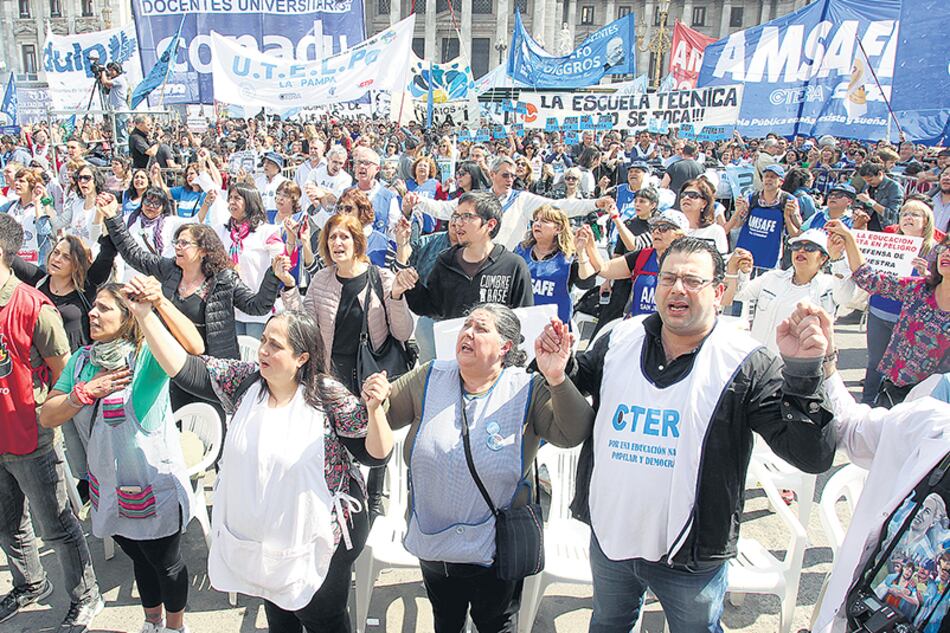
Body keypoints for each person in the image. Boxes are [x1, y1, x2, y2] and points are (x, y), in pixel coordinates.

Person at [536, 237, 836, 633]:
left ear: (718, 292)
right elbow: (578, 380)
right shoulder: (618, 338)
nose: (677, 289)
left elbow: (810, 454)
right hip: (612, 536)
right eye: (669, 278)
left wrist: (804, 372)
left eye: (692, 281)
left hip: (692, 556)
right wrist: (561, 366)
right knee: (608, 623)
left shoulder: (745, 361)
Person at [131, 302, 393, 633]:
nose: (263, 351)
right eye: (264, 340)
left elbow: (375, 454)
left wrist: (375, 410)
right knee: (279, 616)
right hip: (265, 540)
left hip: (321, 540)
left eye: (275, 345)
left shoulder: (326, 397)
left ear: (302, 358)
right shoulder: (245, 384)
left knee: (322, 619)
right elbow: (185, 369)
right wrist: (144, 316)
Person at [380, 303, 595, 633]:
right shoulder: (430, 376)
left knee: (496, 624)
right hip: (435, 544)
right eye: (466, 325)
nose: (468, 332)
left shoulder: (526, 388)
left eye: (481, 328)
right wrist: (374, 395)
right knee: (446, 620)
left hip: (498, 551)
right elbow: (387, 411)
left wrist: (556, 377)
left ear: (505, 346)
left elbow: (573, 432)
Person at [40, 278, 201, 633]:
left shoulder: (147, 358)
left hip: (152, 486)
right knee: (139, 557)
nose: (92, 314)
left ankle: (175, 627)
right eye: (93, 307)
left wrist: (158, 303)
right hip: (109, 487)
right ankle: (152, 621)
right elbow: (47, 415)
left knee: (165, 562)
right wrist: (83, 393)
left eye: (104, 308)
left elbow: (194, 345)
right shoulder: (81, 361)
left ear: (127, 316)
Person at [0, 213, 104, 631]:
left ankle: (86, 594)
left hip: (31, 435)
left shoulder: (32, 306)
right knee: (7, 523)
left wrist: (51, 414)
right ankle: (30, 583)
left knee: (57, 525)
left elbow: (65, 374)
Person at [829, 220, 949, 406]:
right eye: (946, 247)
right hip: (894, 392)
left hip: (936, 402)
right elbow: (869, 279)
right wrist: (850, 238)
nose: (947, 252)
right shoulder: (918, 289)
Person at [406, 156, 612, 252]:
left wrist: (595, 203)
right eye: (505, 175)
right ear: (492, 174)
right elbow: (445, 210)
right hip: (476, 259)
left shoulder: (522, 199)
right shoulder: (476, 199)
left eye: (513, 176)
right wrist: (419, 201)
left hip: (510, 263)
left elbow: (558, 206)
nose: (510, 179)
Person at [400, 191, 534, 321]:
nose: (457, 223)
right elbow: (431, 308)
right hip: (453, 342)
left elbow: (524, 319)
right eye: (457, 216)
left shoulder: (513, 266)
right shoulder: (446, 261)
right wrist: (411, 284)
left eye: (467, 216)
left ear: (490, 224)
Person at [860, 200, 944, 404]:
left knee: (904, 368)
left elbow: (942, 286)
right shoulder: (887, 242)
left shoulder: (937, 251)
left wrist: (928, 275)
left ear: (926, 221)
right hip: (880, 311)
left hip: (911, 320)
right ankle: (868, 403)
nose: (908, 217)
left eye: (915, 214)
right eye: (905, 213)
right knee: (875, 363)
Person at [722, 229, 854, 354]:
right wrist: (738, 271)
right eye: (796, 246)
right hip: (759, 360)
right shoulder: (772, 277)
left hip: (795, 368)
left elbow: (846, 297)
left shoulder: (829, 285)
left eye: (810, 248)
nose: (801, 251)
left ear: (823, 258)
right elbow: (738, 294)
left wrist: (838, 259)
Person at [11, 234, 116, 351]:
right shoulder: (38, 280)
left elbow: (108, 252)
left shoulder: (86, 286)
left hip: (75, 363)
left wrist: (108, 220)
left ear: (77, 264)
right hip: (40, 361)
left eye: (66, 257)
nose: (57, 259)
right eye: (56, 252)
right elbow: (8, 258)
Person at [216, 184, 283, 338]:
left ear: (250, 202)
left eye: (237, 198)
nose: (231, 202)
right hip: (231, 306)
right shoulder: (221, 230)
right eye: (230, 198)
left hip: (257, 307)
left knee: (254, 354)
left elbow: (280, 263)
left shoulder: (267, 231)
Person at [514, 205, 600, 325]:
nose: (537, 224)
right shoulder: (521, 251)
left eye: (544, 221)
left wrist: (580, 251)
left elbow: (586, 283)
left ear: (558, 229)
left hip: (555, 327)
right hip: (522, 323)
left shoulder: (568, 258)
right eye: (536, 220)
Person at [596, 209, 689, 318]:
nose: (656, 232)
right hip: (638, 328)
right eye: (654, 228)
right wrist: (586, 247)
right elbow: (603, 269)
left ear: (680, 235)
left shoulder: (690, 264)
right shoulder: (643, 256)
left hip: (670, 331)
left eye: (663, 228)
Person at [734, 164, 799, 269]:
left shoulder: (789, 200)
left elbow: (797, 230)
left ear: (781, 182)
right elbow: (737, 225)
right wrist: (738, 211)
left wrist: (791, 215)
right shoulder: (752, 198)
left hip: (770, 257)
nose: (768, 179)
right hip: (745, 253)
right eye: (766, 176)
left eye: (773, 177)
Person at [0, 167, 55, 267]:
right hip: (13, 261)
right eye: (16, 180)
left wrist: (37, 202)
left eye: (21, 181)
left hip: (35, 263)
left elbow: (44, 231)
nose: (17, 183)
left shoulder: (41, 207)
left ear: (32, 185)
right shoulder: (8, 207)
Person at [349, 146, 401, 239]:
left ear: (377, 169)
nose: (361, 166)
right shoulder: (347, 194)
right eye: (359, 162)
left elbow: (393, 232)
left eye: (366, 163)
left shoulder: (389, 197)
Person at [54, 163, 107, 252]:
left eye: (86, 178)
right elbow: (58, 224)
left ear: (96, 180)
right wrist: (44, 201)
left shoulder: (105, 204)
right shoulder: (76, 204)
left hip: (94, 258)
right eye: (79, 178)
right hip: (76, 258)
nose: (82, 181)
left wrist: (99, 213)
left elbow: (95, 237)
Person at [678, 179, 729, 256]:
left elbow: (722, 262)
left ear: (704, 203)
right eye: (683, 195)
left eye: (693, 195)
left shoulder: (716, 231)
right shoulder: (673, 229)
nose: (686, 197)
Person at [856, 162, 904, 231]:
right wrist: (858, 210)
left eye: (870, 180)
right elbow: (861, 204)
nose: (869, 183)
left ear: (880, 174)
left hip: (885, 228)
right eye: (866, 181)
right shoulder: (868, 186)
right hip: (868, 226)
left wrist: (870, 202)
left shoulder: (894, 188)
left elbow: (892, 214)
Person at [254, 151, 289, 223]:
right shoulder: (257, 181)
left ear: (277, 167)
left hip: (279, 218)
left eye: (269, 163)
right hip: (260, 218)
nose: (265, 165)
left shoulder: (285, 183)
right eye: (265, 162)